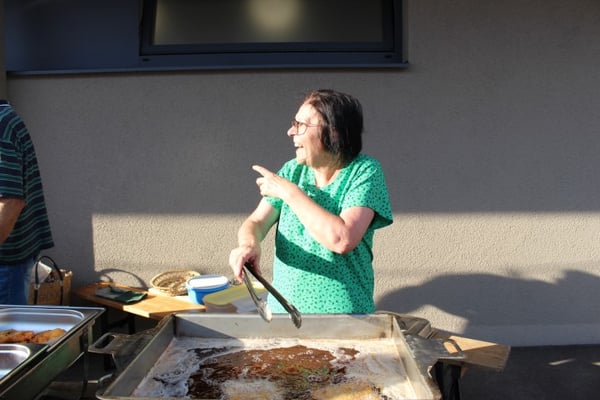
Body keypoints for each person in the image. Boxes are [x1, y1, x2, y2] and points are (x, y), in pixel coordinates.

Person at [229, 89, 393, 314]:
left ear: (334, 132)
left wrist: (289, 192)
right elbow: (256, 222)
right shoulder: (292, 171)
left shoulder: (364, 171)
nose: (290, 132)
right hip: (285, 314)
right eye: (293, 124)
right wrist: (248, 245)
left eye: (301, 125)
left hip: (345, 318)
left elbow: (342, 239)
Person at [0, 99, 54, 304]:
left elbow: (10, 203)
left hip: (5, 263)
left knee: (7, 324)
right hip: (11, 260)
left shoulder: (1, 126)